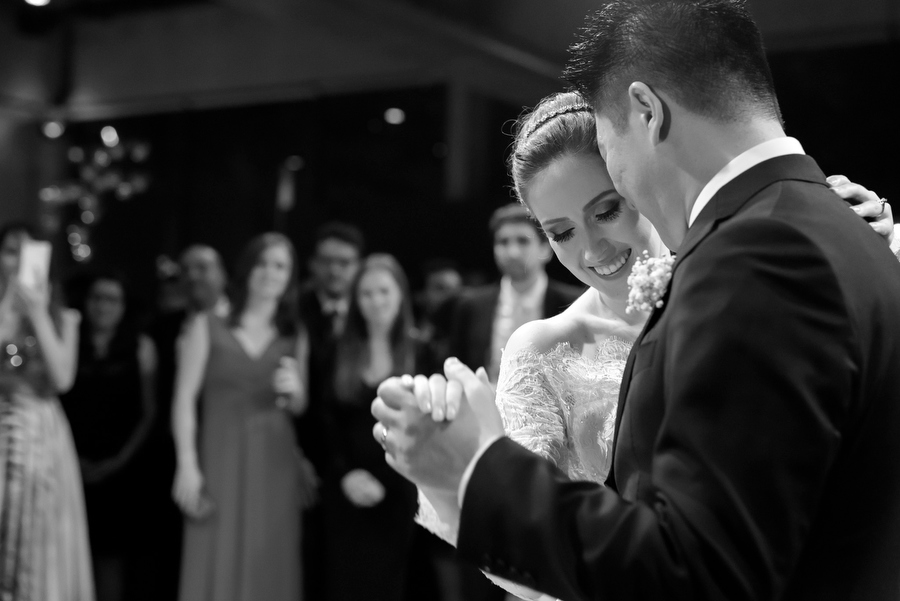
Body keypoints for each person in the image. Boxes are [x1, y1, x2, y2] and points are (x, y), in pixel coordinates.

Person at [372, 1, 900, 599]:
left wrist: (473, 468)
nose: (593, 243)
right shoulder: (824, 234)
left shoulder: (756, 259)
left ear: (645, 112)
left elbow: (697, 566)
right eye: (560, 230)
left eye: (606, 202)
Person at [172, 233, 311, 601]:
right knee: (214, 547)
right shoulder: (207, 325)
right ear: (247, 269)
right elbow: (184, 398)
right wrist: (186, 464)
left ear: (290, 276)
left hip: (274, 459)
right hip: (219, 455)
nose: (270, 273)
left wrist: (296, 391)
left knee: (269, 556)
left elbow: (299, 406)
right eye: (263, 263)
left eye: (280, 266)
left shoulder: (294, 334)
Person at [0, 222, 94, 600]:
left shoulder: (62, 316)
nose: (16, 261)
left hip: (39, 435)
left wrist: (38, 313)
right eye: (9, 251)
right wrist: (8, 308)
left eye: (27, 253)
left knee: (35, 543)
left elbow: (62, 378)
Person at [320, 254, 420, 601]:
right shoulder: (337, 350)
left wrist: (385, 479)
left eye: (384, 291)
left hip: (400, 491)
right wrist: (346, 475)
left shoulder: (423, 351)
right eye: (366, 293)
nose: (376, 301)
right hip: (344, 488)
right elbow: (326, 422)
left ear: (401, 295)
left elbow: (427, 432)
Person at [60, 273, 157, 601]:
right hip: (69, 464)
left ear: (124, 306)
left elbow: (148, 412)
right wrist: (73, 461)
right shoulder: (69, 340)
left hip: (121, 468)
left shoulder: (140, 348)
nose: (102, 306)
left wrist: (119, 460)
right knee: (68, 553)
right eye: (96, 298)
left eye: (112, 299)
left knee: (111, 558)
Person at [143, 243, 229, 601]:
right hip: (169, 456)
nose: (194, 277)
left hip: (226, 449)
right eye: (186, 269)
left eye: (203, 267)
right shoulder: (161, 328)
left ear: (223, 274)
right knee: (168, 558)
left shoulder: (240, 324)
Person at [295, 221, 364, 600]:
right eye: (327, 261)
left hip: (356, 456)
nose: (335, 270)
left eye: (345, 262)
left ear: (358, 265)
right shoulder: (292, 310)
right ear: (312, 264)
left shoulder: (370, 308)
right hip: (301, 454)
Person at [448, 204, 583, 384]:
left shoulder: (574, 303)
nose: (512, 252)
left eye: (523, 241)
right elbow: (457, 370)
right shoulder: (470, 306)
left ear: (545, 249)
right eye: (503, 242)